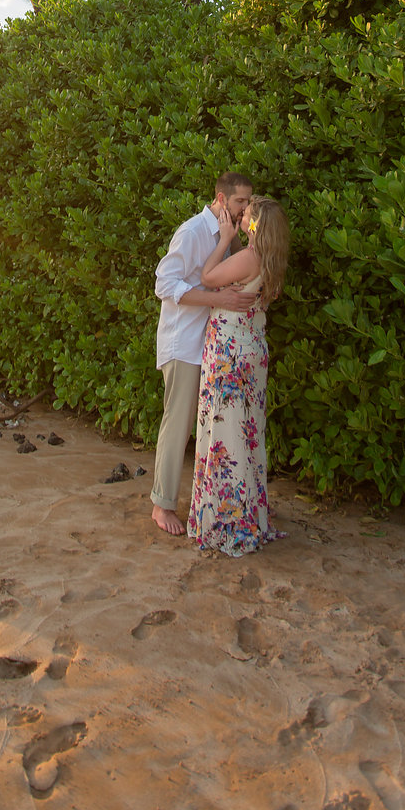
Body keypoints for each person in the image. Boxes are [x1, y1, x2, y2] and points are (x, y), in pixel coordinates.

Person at [150, 173, 255, 536]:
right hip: (183, 343)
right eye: (241, 202)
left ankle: (196, 500)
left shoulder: (228, 236)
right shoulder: (193, 231)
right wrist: (218, 299)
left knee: (202, 428)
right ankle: (161, 505)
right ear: (222, 199)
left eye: (248, 202)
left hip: (206, 345)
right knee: (177, 423)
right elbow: (164, 282)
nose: (246, 209)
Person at [186, 194, 290, 557]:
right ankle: (248, 515)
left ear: (255, 225)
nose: (240, 216)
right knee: (246, 432)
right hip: (253, 350)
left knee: (224, 431)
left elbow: (207, 276)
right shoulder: (273, 262)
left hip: (229, 351)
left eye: (245, 215)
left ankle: (226, 520)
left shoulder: (248, 257)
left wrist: (226, 239)